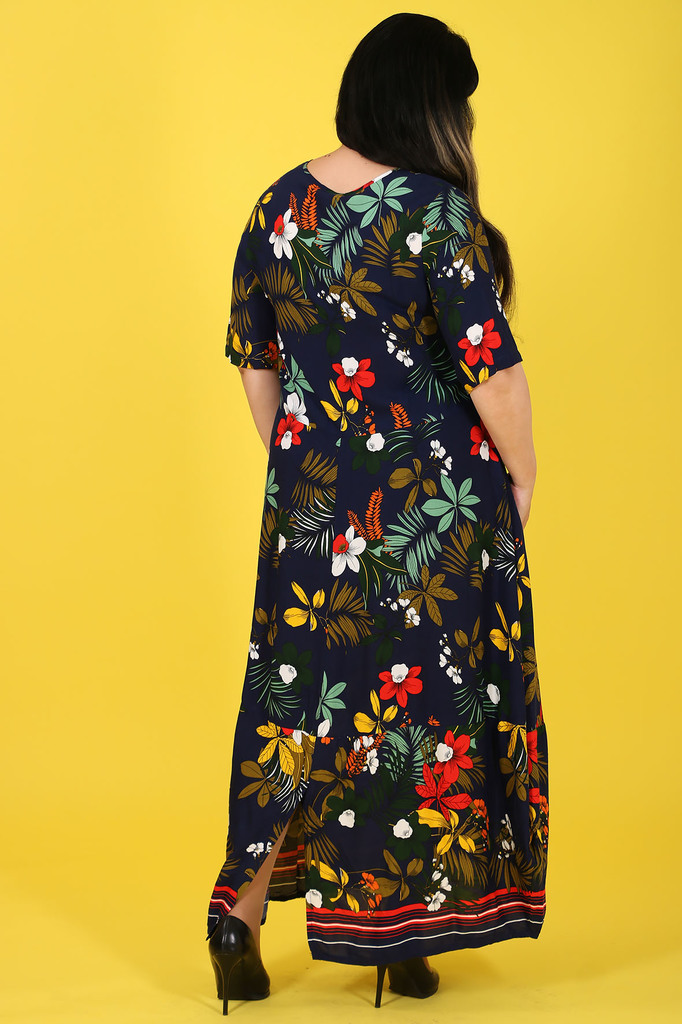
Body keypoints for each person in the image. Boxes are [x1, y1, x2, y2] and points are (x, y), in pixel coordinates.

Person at [206, 12, 549, 1014]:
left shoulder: (278, 205)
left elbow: (255, 363)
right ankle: (400, 931)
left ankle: (239, 916)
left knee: (296, 704)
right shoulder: (435, 212)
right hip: (431, 517)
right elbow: (492, 371)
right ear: (429, 106)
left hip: (311, 508)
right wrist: (523, 476)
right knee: (414, 715)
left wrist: (304, 470)